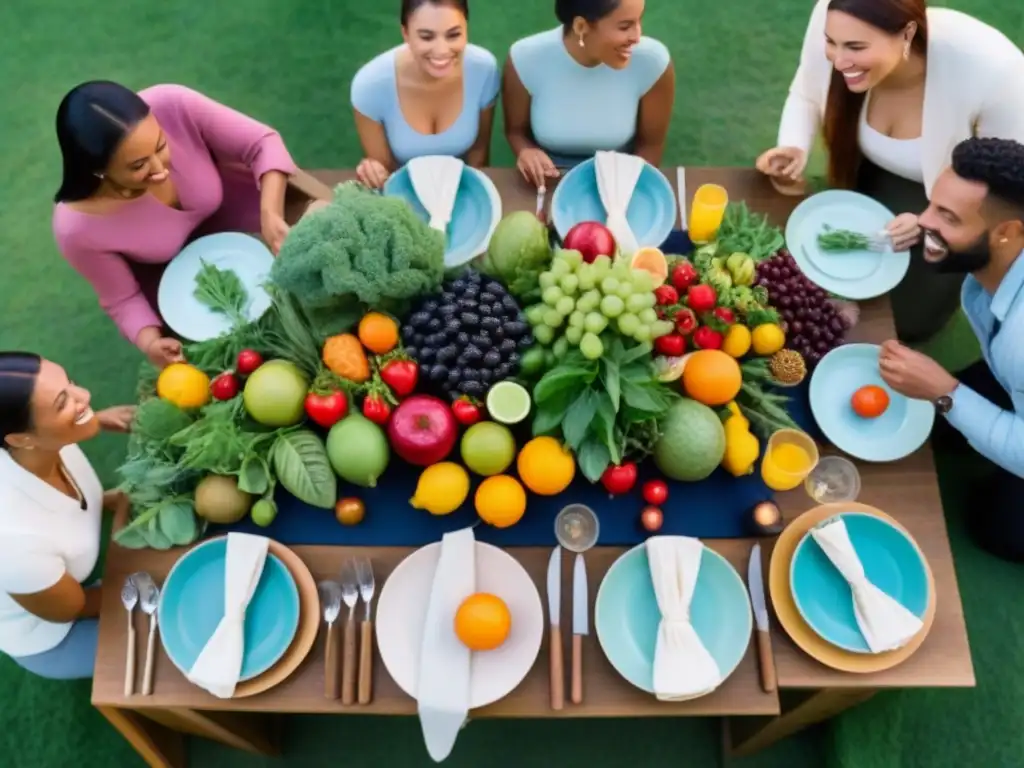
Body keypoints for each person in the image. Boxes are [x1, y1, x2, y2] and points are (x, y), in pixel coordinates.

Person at [756, 0, 1024, 343]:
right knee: (827, 268)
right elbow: (807, 91)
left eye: (856, 48)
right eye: (831, 43)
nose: (838, 61)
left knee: (910, 321)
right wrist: (794, 146)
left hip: (949, 195)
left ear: (908, 33)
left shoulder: (993, 70)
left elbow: (1004, 184)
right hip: (866, 167)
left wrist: (931, 221)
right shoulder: (837, 18)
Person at [52, 81, 298, 369]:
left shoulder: (172, 103)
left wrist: (270, 214)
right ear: (99, 171)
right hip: (191, 298)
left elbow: (262, 143)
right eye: (137, 165)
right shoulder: (77, 228)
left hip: (256, 216)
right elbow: (122, 299)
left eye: (161, 146)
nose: (160, 170)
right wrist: (150, 343)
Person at [878, 137, 1024, 562]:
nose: (924, 220)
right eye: (931, 205)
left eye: (947, 216)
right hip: (1010, 370)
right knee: (939, 425)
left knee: (995, 530)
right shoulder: (1001, 256)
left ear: (1006, 233)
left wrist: (947, 392)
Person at [0, 352, 135, 679]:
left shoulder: (38, 446)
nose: (85, 395)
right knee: (161, 646)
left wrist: (94, 419)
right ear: (22, 439)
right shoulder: (15, 543)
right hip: (52, 633)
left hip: (55, 574)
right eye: (63, 403)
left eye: (70, 383)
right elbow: (73, 609)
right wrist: (155, 586)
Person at [503, 0, 675, 186]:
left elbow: (651, 146)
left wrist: (624, 189)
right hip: (548, 180)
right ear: (581, 26)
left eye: (639, 21)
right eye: (625, 27)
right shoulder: (524, 58)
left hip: (619, 178)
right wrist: (525, 150)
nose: (637, 37)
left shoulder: (653, 62)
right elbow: (516, 131)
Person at [350, 0, 499, 189]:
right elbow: (385, 171)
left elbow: (479, 152)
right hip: (404, 192)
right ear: (406, 34)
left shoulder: (484, 70)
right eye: (427, 37)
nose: (442, 50)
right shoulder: (369, 85)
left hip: (462, 189)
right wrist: (374, 171)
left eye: (454, 35)